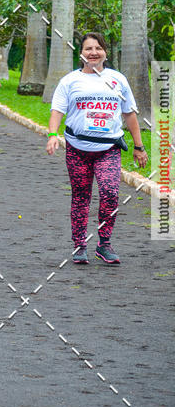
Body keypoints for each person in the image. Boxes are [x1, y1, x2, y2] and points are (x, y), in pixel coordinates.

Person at [46, 31, 148, 265]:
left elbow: (129, 113)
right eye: (88, 49)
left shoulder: (117, 80)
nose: (93, 53)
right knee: (81, 197)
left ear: (105, 52)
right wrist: (52, 135)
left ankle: (104, 243)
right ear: (81, 53)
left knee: (110, 193)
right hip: (77, 149)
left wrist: (139, 146)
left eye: (98, 48)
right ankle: (79, 245)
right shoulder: (70, 81)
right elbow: (57, 110)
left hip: (108, 149)